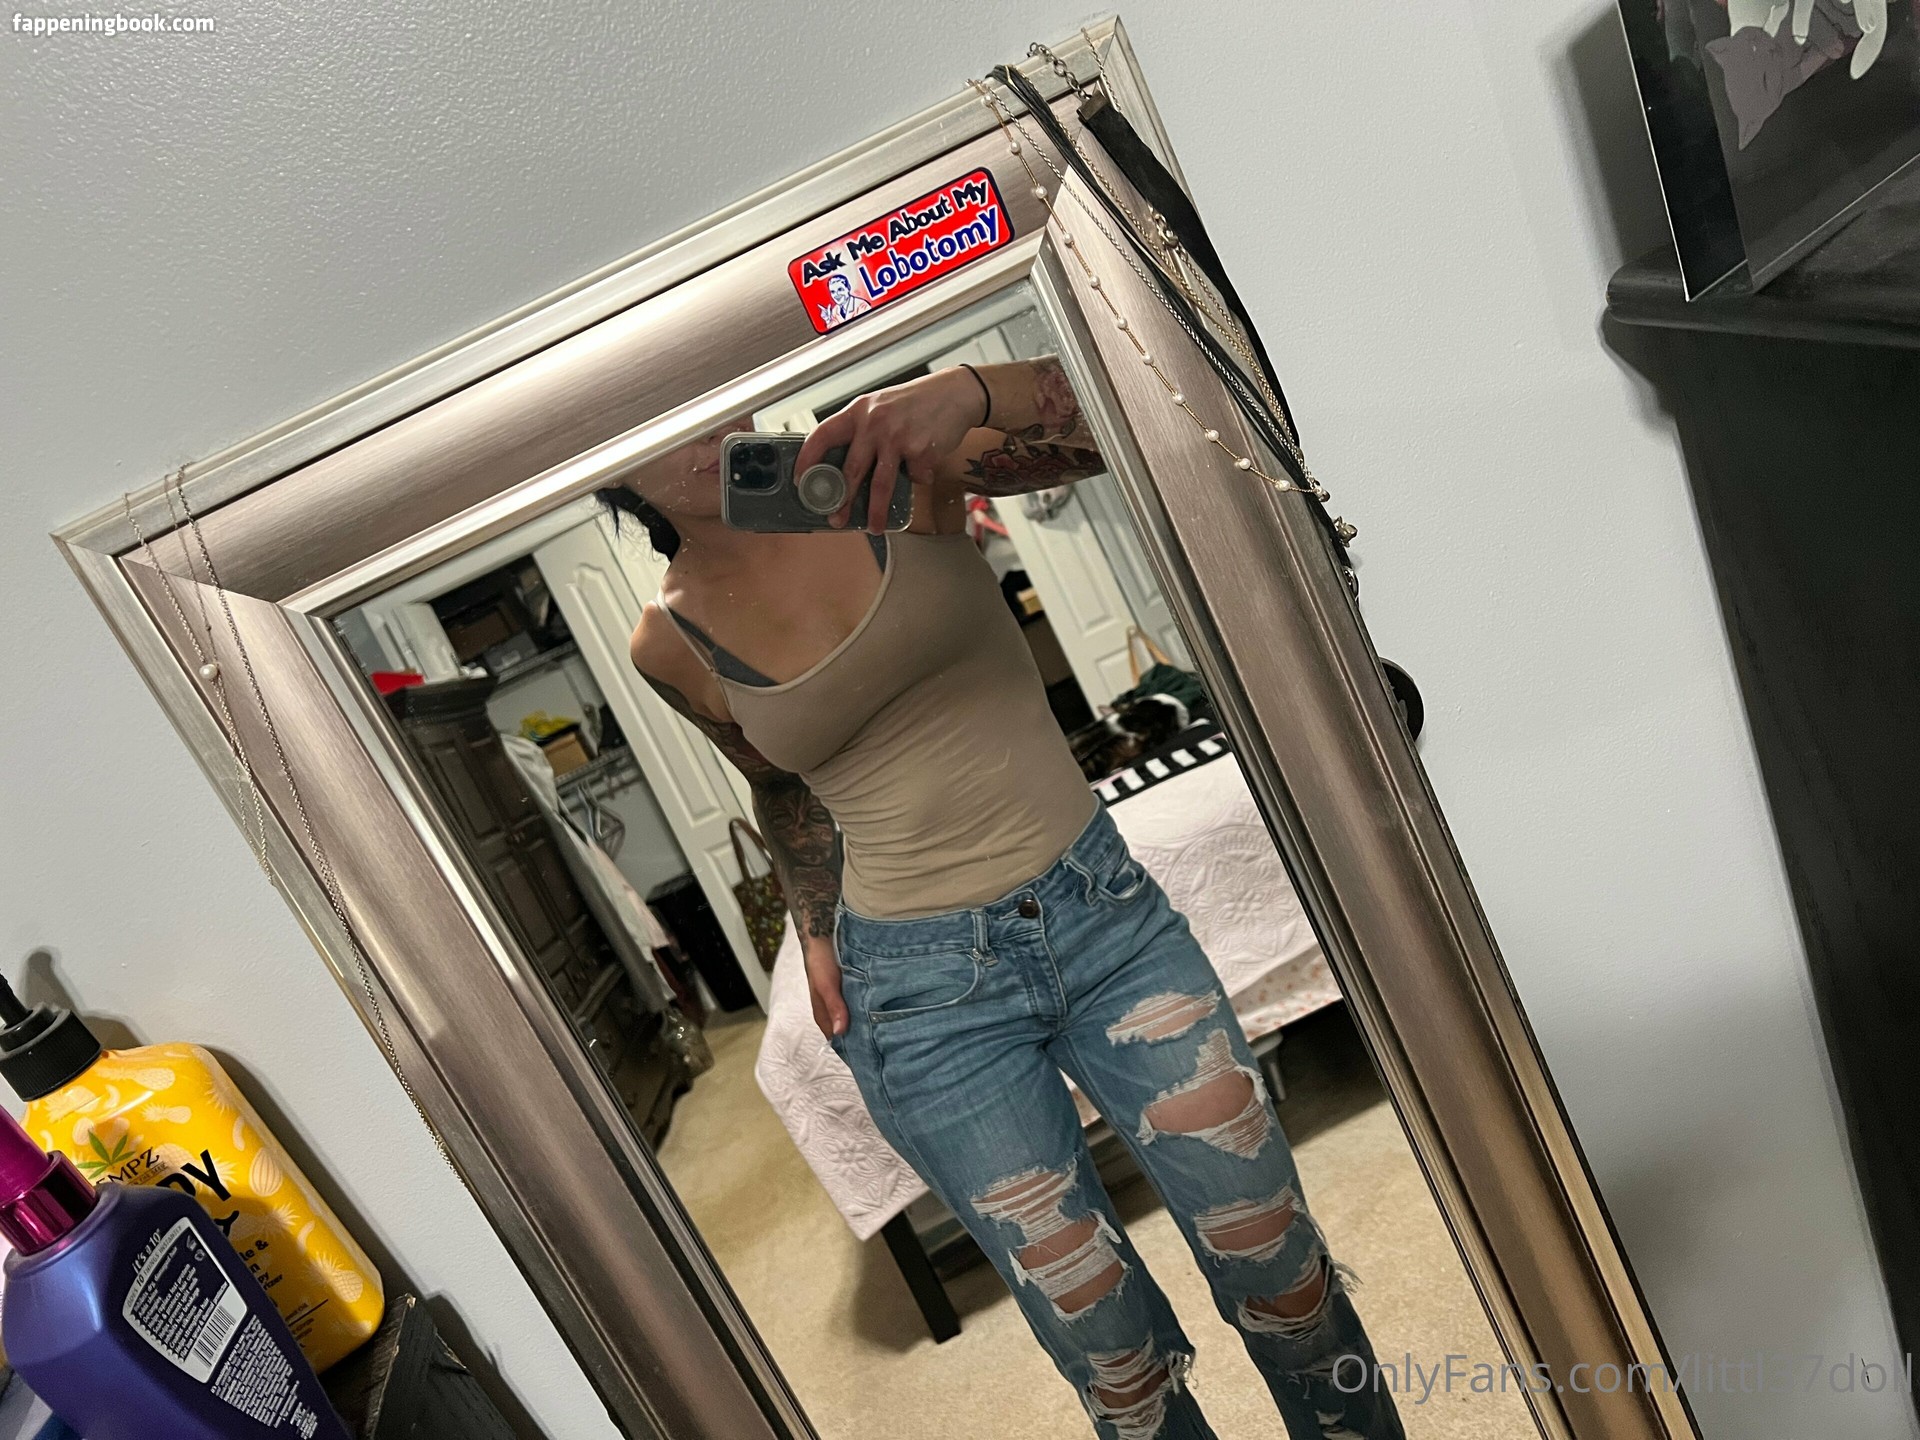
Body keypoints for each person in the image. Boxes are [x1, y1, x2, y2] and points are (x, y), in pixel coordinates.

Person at [606, 357, 1404, 1440]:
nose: (692, 426)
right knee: (1113, 1358)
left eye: (690, 390)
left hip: (1108, 924)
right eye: (643, 425)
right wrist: (813, 923)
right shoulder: (666, 642)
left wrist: (976, 394)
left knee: (1282, 1270)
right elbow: (781, 783)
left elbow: (1161, 412)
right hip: (918, 999)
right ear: (609, 474)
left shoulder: (893, 469)